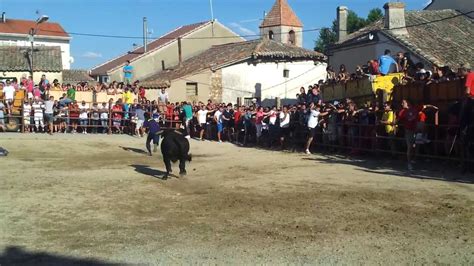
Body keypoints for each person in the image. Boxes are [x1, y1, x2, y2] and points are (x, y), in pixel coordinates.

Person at [398, 99, 418, 171]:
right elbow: (399, 119)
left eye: (403, 103)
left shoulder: (414, 110)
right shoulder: (402, 111)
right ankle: (409, 163)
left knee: (415, 146)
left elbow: (414, 117)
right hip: (409, 130)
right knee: (410, 146)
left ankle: (414, 160)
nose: (402, 104)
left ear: (408, 103)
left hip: (416, 130)